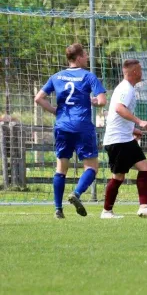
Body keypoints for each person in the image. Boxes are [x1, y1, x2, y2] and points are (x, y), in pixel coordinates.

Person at [34, 43, 106, 219]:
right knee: (92, 167)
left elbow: (39, 98)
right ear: (79, 57)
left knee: (61, 168)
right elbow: (102, 101)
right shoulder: (88, 76)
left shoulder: (57, 77)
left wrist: (55, 110)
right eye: (86, 55)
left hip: (62, 126)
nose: (88, 58)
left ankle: (58, 209)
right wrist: (94, 101)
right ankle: (76, 193)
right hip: (82, 126)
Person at [101, 59, 147, 219]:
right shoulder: (126, 88)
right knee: (119, 176)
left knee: (144, 167)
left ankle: (143, 207)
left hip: (122, 138)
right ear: (135, 72)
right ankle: (107, 211)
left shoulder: (126, 88)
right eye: (140, 70)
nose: (142, 73)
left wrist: (134, 130)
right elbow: (118, 108)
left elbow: (116, 115)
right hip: (119, 140)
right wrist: (139, 122)